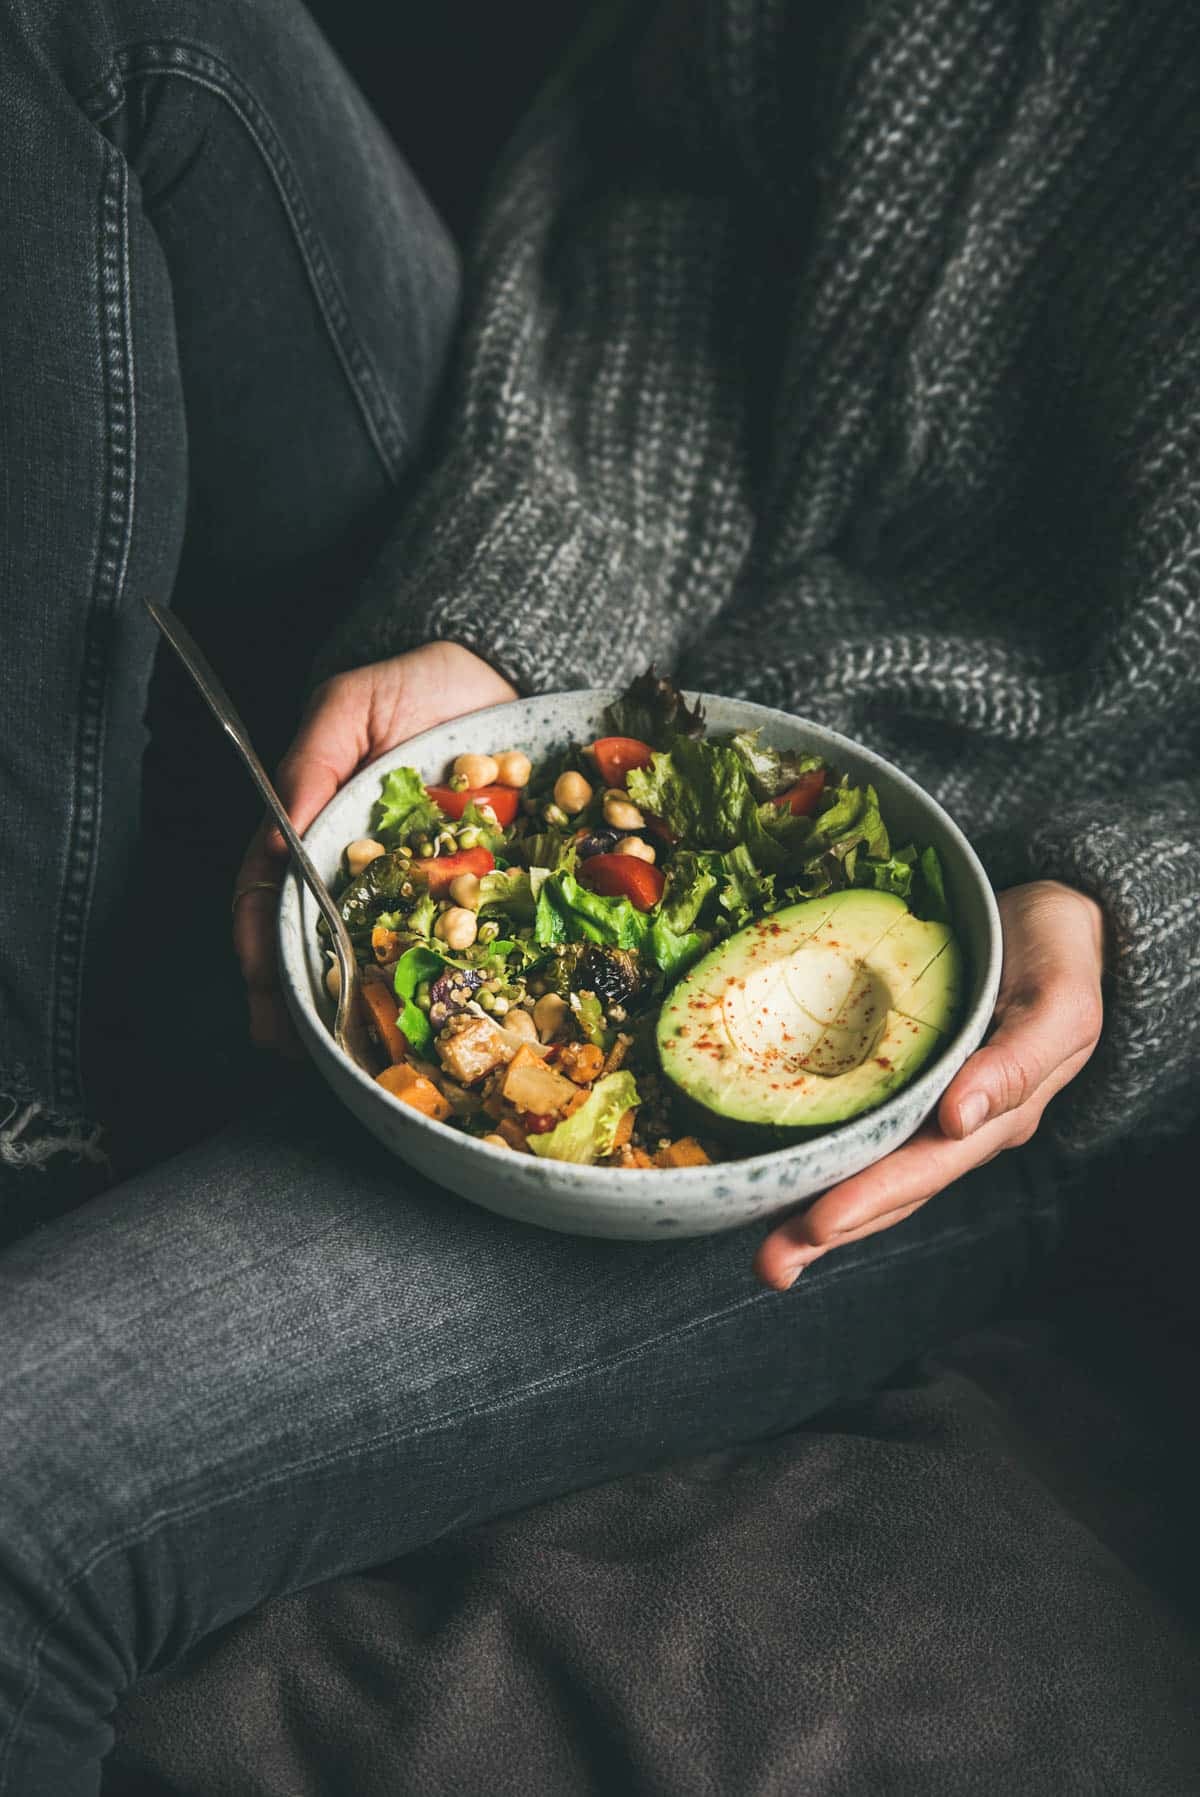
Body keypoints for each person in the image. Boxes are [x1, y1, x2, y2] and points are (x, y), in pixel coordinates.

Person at [1, 0, 1196, 1789]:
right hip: (579, 530)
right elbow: (664, 178)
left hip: (975, 945)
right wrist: (512, 609)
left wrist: (1141, 898)